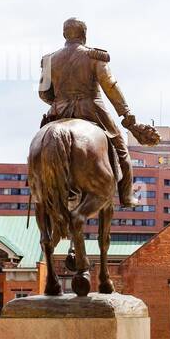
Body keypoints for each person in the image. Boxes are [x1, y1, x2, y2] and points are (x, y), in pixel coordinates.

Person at [37, 18, 144, 207]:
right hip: (91, 110)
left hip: (58, 112)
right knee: (121, 149)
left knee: (40, 147)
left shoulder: (48, 60)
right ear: (84, 35)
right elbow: (110, 86)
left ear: (64, 34)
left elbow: (43, 93)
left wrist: (59, 101)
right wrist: (126, 114)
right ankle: (126, 196)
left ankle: (35, 182)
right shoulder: (95, 57)